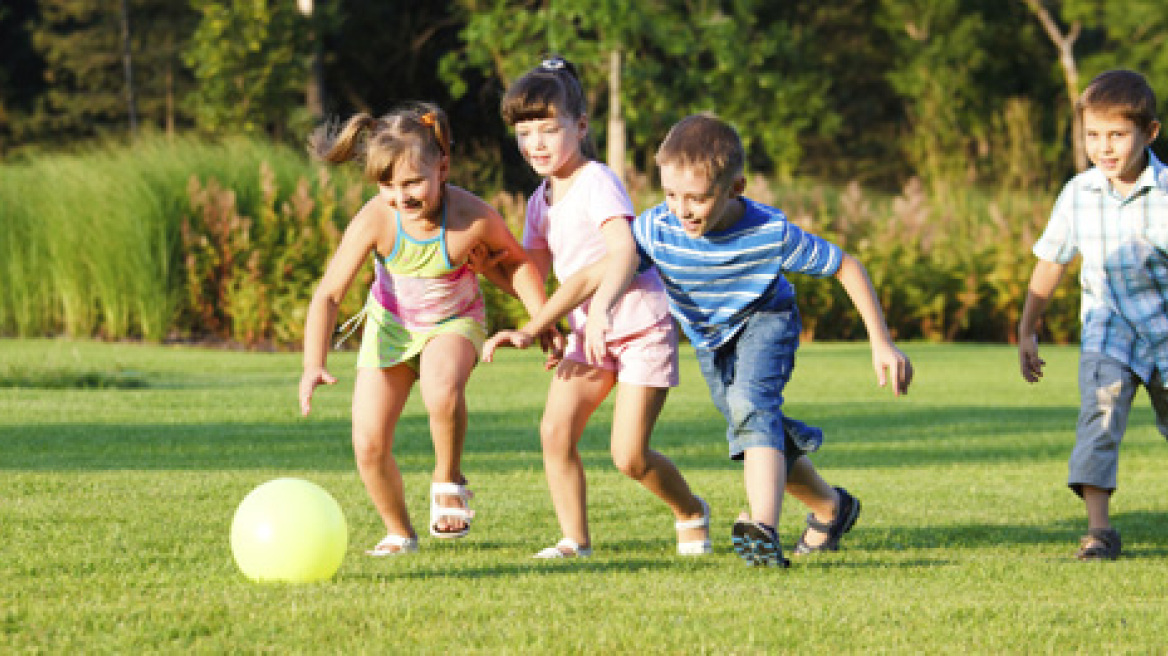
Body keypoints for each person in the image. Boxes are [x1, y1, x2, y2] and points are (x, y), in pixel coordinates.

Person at [490, 113, 913, 567]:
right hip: (711, 339)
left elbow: (846, 265)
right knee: (753, 426)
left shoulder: (769, 233)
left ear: (735, 188)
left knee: (752, 407)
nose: (682, 209)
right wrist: (536, 326)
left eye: (697, 198)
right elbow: (596, 273)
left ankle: (763, 531)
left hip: (765, 319)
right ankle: (831, 507)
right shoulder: (659, 227)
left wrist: (881, 342)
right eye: (671, 194)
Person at [482, 57, 711, 559]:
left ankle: (690, 510)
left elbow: (624, 251)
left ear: (580, 126)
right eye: (524, 132)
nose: (535, 143)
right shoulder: (540, 199)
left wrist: (600, 307)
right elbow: (532, 278)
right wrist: (478, 264)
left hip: (638, 325)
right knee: (554, 431)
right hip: (591, 333)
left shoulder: (597, 181)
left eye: (548, 129)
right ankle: (574, 541)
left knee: (628, 456)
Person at [298, 102, 550, 556]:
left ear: (443, 168)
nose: (402, 196)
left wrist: (543, 320)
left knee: (441, 388)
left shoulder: (470, 216)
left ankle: (447, 477)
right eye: (388, 185)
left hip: (454, 323)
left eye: (413, 182)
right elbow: (329, 295)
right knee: (368, 444)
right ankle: (399, 532)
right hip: (390, 330)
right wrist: (313, 363)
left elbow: (518, 267)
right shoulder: (378, 217)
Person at [1019, 69, 1167, 562]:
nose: (1104, 147)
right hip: (1109, 331)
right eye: (1093, 135)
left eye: (1117, 135)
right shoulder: (1078, 193)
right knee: (1097, 421)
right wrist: (1027, 328)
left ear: (1149, 133)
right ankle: (1099, 531)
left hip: (1165, 332)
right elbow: (1052, 261)